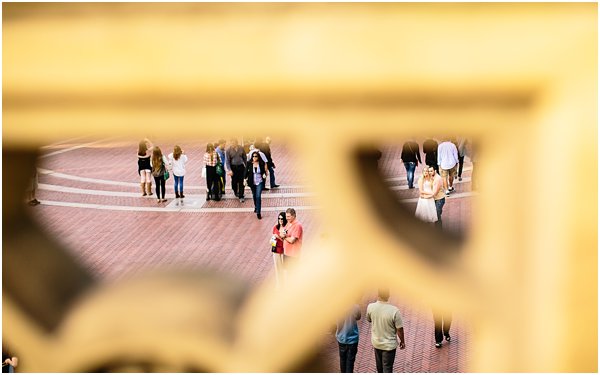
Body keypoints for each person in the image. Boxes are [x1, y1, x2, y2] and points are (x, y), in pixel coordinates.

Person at [366, 288, 405, 373]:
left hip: (376, 343)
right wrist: (402, 341)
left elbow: (368, 319)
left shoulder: (370, 307)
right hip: (389, 345)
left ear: (378, 295)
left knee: (379, 368)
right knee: (387, 368)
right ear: (388, 296)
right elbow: (400, 329)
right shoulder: (394, 311)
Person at [335, 304, 361, 373]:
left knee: (342, 359)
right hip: (352, 339)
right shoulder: (355, 306)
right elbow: (358, 317)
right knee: (350, 362)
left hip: (341, 338)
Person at [245, 151, 267, 219]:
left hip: (259, 182)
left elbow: (264, 171)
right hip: (252, 182)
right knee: (254, 195)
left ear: (258, 157)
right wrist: (244, 179)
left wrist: (264, 175)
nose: (254, 158)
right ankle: (256, 206)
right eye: (253, 156)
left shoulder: (261, 163)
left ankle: (258, 212)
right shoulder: (249, 163)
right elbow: (246, 172)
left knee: (258, 196)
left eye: (256, 156)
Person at [226, 138, 247, 203]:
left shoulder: (241, 148)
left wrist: (246, 166)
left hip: (241, 167)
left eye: (234, 143)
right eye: (232, 143)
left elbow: (244, 157)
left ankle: (241, 195)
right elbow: (227, 161)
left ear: (236, 143)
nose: (233, 144)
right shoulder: (228, 150)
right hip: (233, 167)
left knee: (241, 181)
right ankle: (235, 190)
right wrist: (229, 170)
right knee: (234, 182)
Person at [271, 212, 287, 289]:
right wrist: (273, 239)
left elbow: (286, 240)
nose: (280, 220)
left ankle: (285, 285)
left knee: (284, 269)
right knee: (277, 269)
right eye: (279, 218)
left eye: (282, 219)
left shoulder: (286, 228)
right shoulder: (275, 228)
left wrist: (278, 236)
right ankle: (279, 285)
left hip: (284, 251)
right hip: (276, 251)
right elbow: (272, 238)